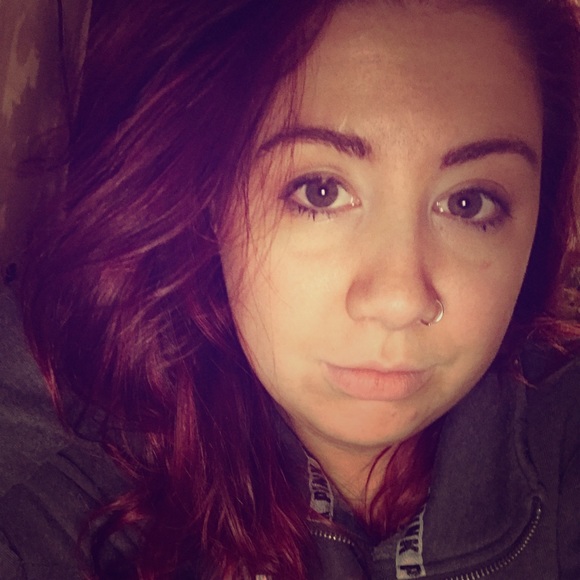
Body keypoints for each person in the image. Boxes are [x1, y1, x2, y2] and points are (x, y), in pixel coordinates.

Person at [17, 0, 579, 578]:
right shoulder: (80, 481)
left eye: (468, 202)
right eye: (320, 191)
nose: (399, 300)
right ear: (209, 200)